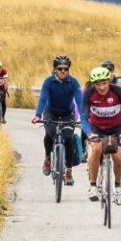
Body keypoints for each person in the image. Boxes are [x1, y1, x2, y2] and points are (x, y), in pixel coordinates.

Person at [82, 66, 121, 205]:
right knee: (97, 150)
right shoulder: (88, 93)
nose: (101, 87)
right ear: (93, 84)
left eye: (104, 83)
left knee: (118, 158)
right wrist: (89, 133)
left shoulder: (118, 91)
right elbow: (84, 116)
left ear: (109, 81)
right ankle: (93, 186)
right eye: (98, 84)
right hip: (96, 128)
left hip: (116, 128)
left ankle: (117, 186)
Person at [32, 55, 83, 184]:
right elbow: (43, 99)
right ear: (55, 69)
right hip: (51, 112)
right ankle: (48, 158)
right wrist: (38, 115)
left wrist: (84, 117)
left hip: (67, 113)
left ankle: (69, 171)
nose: (63, 71)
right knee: (49, 134)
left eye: (66, 69)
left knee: (69, 139)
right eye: (60, 69)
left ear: (68, 70)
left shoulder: (73, 82)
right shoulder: (48, 82)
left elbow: (80, 101)